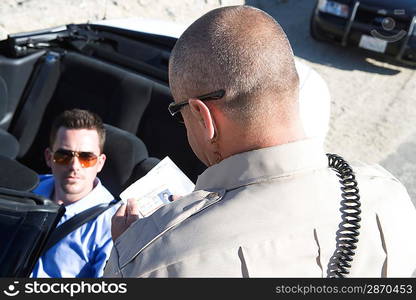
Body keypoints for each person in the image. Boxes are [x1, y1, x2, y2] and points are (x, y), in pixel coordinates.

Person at [103, 5, 416, 277]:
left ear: (202, 116)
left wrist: (134, 249)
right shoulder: (389, 196)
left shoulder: (150, 260)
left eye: (179, 113)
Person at [31, 108, 118, 278]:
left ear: (100, 163)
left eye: (86, 157)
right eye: (64, 156)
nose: (74, 166)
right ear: (49, 158)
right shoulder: (27, 189)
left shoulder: (112, 224)